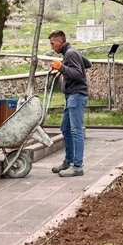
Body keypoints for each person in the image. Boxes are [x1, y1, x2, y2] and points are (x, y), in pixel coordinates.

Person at [48, 30, 89, 177]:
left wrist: (62, 68)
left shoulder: (70, 53)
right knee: (65, 128)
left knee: (76, 130)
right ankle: (69, 161)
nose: (52, 47)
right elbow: (87, 64)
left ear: (60, 41)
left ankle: (77, 166)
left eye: (53, 43)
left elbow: (79, 74)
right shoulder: (72, 53)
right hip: (71, 96)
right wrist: (64, 69)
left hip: (76, 96)